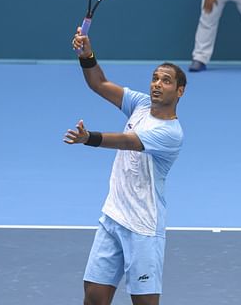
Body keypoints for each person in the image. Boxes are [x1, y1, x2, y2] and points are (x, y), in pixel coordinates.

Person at [65, 28, 187, 305]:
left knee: (143, 302)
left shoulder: (171, 133)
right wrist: (87, 56)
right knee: (94, 296)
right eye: (155, 78)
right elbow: (99, 84)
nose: (157, 84)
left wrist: (89, 138)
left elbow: (127, 141)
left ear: (180, 91)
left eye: (166, 81)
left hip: (142, 227)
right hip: (112, 216)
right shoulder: (140, 105)